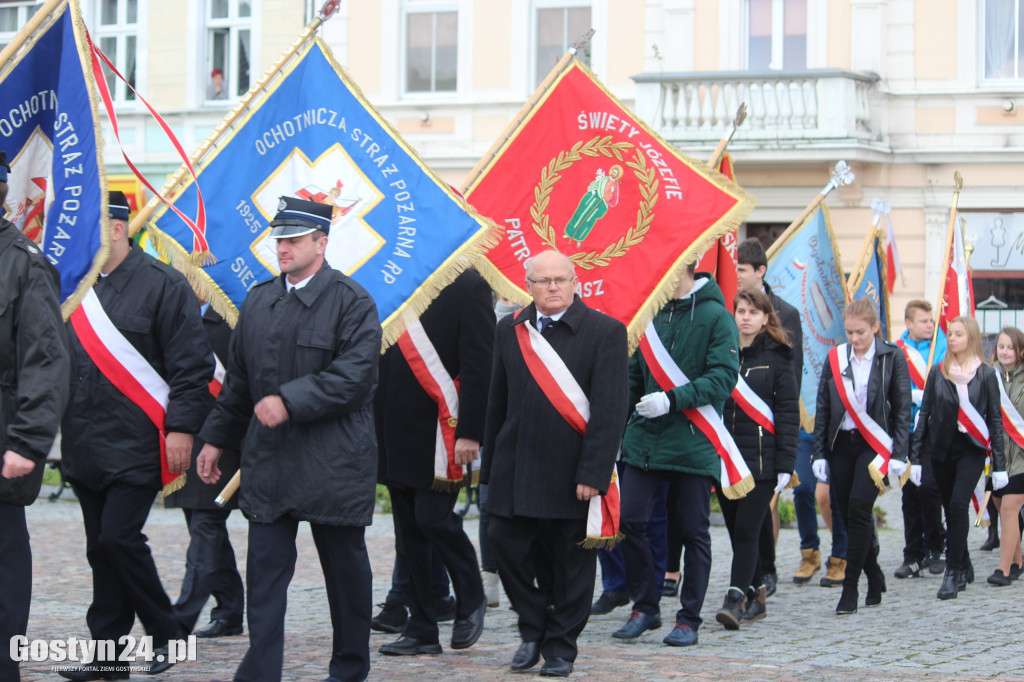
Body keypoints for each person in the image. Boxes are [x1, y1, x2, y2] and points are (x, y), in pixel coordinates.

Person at [197, 196, 381, 682]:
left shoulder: (352, 301)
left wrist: (290, 401)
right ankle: (260, 673)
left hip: (333, 462)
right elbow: (239, 382)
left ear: (321, 243)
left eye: (294, 240)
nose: (283, 248)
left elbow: (356, 378)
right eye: (279, 239)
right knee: (264, 578)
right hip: (270, 462)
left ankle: (348, 670)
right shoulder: (259, 299)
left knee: (345, 576)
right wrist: (216, 438)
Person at [60, 191, 214, 681]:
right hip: (84, 440)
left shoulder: (163, 284)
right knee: (100, 549)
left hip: (140, 440)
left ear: (117, 228)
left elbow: (192, 366)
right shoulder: (75, 285)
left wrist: (182, 428)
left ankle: (167, 631)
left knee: (119, 538)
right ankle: (108, 658)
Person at [482, 250, 628, 677]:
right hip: (517, 467)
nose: (552, 287)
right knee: (504, 543)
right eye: (543, 281)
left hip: (572, 471)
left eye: (560, 279)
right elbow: (497, 402)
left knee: (570, 566)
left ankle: (561, 646)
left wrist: (594, 473)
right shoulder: (510, 329)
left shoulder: (605, 331)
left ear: (574, 282)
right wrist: (490, 471)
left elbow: (610, 411)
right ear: (527, 286)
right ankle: (533, 626)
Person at [615, 260, 739, 648]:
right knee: (628, 520)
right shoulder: (649, 314)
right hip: (646, 440)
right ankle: (645, 607)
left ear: (684, 265)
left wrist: (672, 400)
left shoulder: (717, 317)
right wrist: (619, 428)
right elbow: (634, 378)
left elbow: (723, 377)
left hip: (693, 439)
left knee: (692, 531)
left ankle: (688, 619)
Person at [375, 269, 493, 656]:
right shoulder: (390, 278)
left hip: (441, 429)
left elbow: (480, 363)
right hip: (393, 425)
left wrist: (471, 432)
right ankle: (422, 627)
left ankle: (471, 595)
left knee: (433, 519)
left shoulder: (468, 284)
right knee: (408, 532)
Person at [735, 238, 845, 592]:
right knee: (750, 509)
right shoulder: (729, 308)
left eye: (741, 269)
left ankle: (766, 571)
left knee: (768, 501)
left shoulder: (787, 313)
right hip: (736, 426)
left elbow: (791, 378)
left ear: (760, 271)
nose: (736, 275)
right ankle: (757, 571)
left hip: (768, 423)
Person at [0, 150, 70, 682]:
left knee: (3, 562)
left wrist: (27, 442)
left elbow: (46, 360)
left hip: (3, 438)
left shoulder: (25, 263)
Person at [812, 298, 911, 614]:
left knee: (859, 507)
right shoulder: (836, 357)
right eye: (849, 332)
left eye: (861, 333)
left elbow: (902, 408)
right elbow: (823, 407)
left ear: (875, 327)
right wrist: (818, 453)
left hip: (874, 445)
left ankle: (850, 588)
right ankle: (874, 573)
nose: (854, 339)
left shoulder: (892, 357)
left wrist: (900, 453)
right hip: (841, 443)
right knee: (848, 513)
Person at [715, 289, 798, 629]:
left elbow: (788, 413)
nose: (746, 317)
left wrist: (786, 465)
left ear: (765, 317)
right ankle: (756, 595)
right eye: (741, 311)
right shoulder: (721, 353)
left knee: (747, 531)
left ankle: (734, 599)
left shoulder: (779, 357)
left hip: (763, 463)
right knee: (737, 532)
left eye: (753, 312)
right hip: (727, 460)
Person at [163, 304, 244, 638]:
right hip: (184, 434)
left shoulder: (231, 316)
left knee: (205, 525)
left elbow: (239, 384)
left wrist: (221, 436)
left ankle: (180, 619)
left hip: (222, 438)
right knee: (202, 524)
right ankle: (229, 609)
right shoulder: (177, 314)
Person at [912, 315, 1007, 599]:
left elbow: (995, 420)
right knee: (950, 509)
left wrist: (999, 465)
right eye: (950, 333)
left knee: (957, 505)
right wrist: (915, 457)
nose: (951, 338)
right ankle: (964, 562)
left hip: (972, 450)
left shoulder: (986, 375)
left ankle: (952, 573)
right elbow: (925, 413)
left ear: (971, 338)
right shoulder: (938, 372)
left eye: (958, 334)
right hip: (941, 449)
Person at [894, 300, 948, 578]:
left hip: (933, 428)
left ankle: (937, 544)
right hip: (906, 429)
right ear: (909, 324)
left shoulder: (942, 345)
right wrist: (907, 397)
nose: (930, 325)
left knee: (929, 487)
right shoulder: (897, 350)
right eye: (924, 321)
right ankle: (913, 554)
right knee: (909, 493)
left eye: (931, 320)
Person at [988, 326, 1024, 586]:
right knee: (1001, 507)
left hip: (1021, 455)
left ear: (1020, 350)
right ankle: (1018, 561)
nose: (1005, 352)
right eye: (1001, 346)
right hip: (997, 457)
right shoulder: (988, 376)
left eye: (1011, 347)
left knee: (1011, 508)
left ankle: (1004, 570)